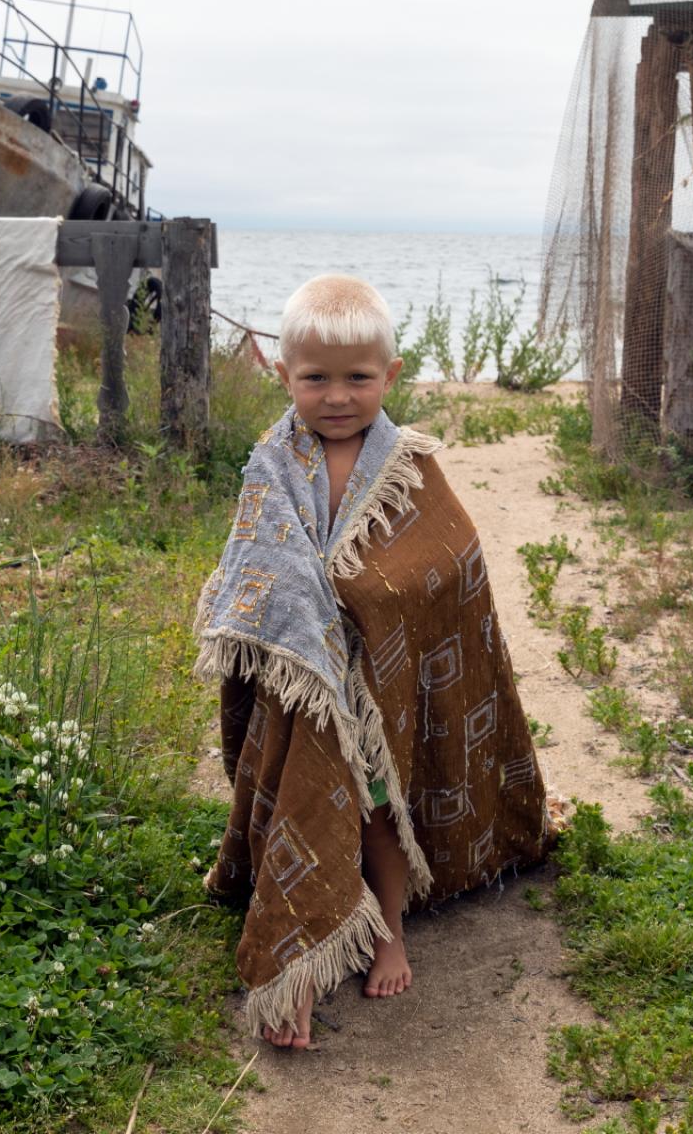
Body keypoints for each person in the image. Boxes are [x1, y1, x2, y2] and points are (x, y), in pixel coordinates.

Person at [193, 274, 552, 1051]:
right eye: (315, 378)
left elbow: (450, 565)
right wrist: (314, 620)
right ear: (282, 375)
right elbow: (255, 567)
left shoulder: (410, 466)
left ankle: (387, 927)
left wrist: (376, 600)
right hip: (307, 684)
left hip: (379, 692)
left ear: (389, 377)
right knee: (304, 809)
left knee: (381, 817)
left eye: (358, 378)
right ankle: (299, 964)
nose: (336, 396)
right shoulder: (271, 464)